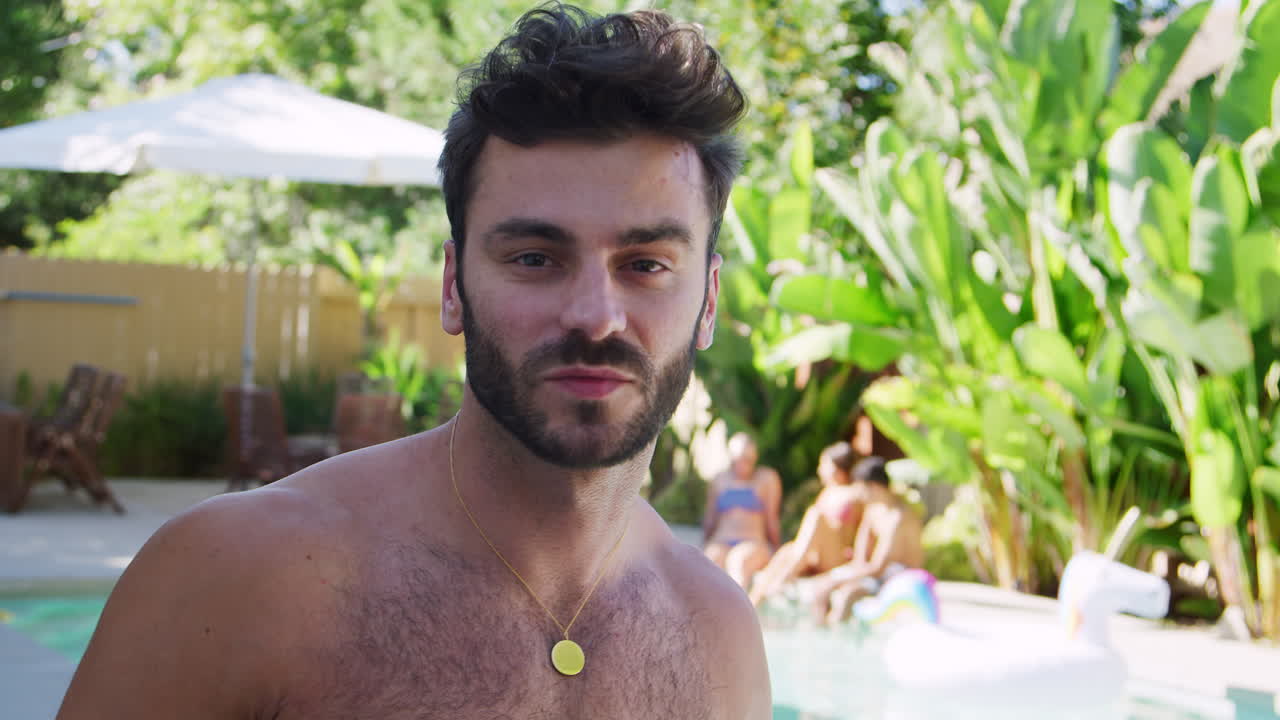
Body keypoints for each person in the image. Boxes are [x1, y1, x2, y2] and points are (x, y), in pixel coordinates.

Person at [56, 5, 771, 718]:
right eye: (533, 258)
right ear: (452, 288)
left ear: (707, 303)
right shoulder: (238, 576)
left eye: (646, 264)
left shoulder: (720, 632)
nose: (594, 314)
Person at [807, 456, 923, 625]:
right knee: (820, 588)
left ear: (874, 487)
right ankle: (820, 636)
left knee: (847, 596)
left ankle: (835, 640)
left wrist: (841, 580)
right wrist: (835, 578)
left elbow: (878, 567)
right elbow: (860, 558)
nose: (858, 495)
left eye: (860, 488)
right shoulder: (873, 511)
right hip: (879, 574)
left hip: (900, 577)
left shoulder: (898, 517)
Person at [748, 441, 866, 606]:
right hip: (815, 557)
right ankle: (754, 601)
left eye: (823, 464)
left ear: (836, 467)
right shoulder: (827, 493)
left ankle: (784, 578)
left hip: (838, 557)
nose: (820, 470)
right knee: (786, 550)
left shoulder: (856, 494)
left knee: (815, 515)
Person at [702, 432, 782, 589]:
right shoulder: (719, 480)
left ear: (754, 458)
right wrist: (704, 544)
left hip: (753, 541)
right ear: (731, 458)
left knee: (738, 561)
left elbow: (772, 519)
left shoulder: (766, 479)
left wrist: (776, 550)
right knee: (707, 562)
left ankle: (738, 612)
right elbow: (710, 518)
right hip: (722, 540)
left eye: (748, 460)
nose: (743, 465)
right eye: (739, 460)